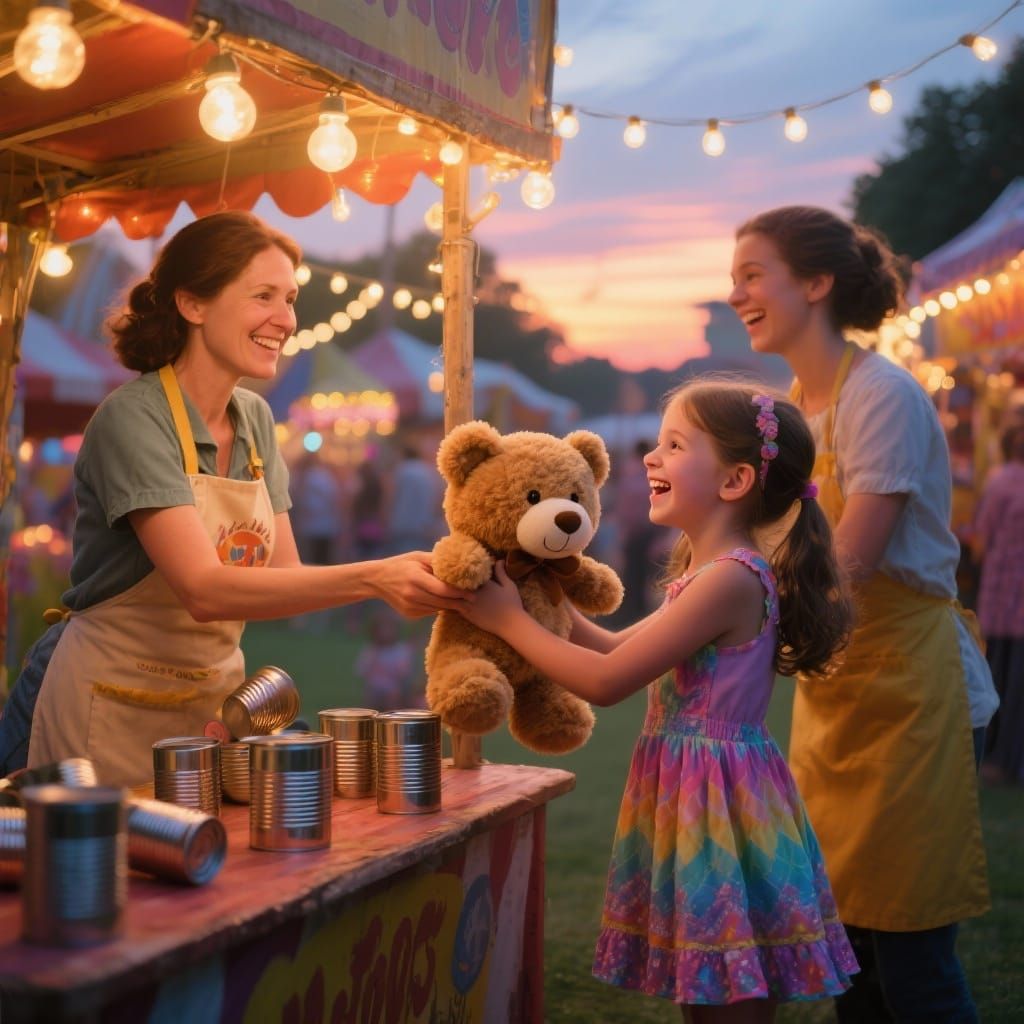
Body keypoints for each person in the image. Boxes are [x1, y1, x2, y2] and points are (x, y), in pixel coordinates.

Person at [0, 211, 468, 788]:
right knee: (94, 869)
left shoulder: (256, 418)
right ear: (193, 305)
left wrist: (403, 579)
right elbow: (202, 589)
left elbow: (285, 575)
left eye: (291, 298)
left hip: (208, 711)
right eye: (263, 296)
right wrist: (375, 577)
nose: (286, 319)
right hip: (99, 697)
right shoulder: (133, 417)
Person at [461, 379, 859, 1021]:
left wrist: (509, 621)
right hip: (697, 795)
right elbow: (612, 648)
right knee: (705, 988)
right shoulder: (706, 576)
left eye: (674, 445)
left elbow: (608, 682)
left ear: (733, 482)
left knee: (729, 993)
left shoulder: (729, 579)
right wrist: (544, 593)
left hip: (720, 808)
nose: (650, 456)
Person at [728, 205, 998, 1023]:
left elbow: (849, 562)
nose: (733, 291)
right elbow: (758, 550)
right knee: (850, 965)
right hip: (836, 697)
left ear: (815, 283)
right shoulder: (784, 412)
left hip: (914, 696)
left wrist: (730, 626)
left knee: (915, 968)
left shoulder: (880, 394)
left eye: (750, 274)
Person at [973, 424, 1024, 785]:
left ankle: (990, 755)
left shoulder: (1001, 480)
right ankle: (1012, 758)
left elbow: (980, 539)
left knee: (995, 678)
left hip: (999, 595)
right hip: (1014, 601)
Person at [354, 608, 419, 711]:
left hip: (395, 687)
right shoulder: (371, 650)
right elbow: (362, 671)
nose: (385, 633)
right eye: (382, 629)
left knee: (393, 696)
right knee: (370, 698)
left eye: (389, 629)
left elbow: (404, 673)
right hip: (375, 687)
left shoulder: (400, 650)